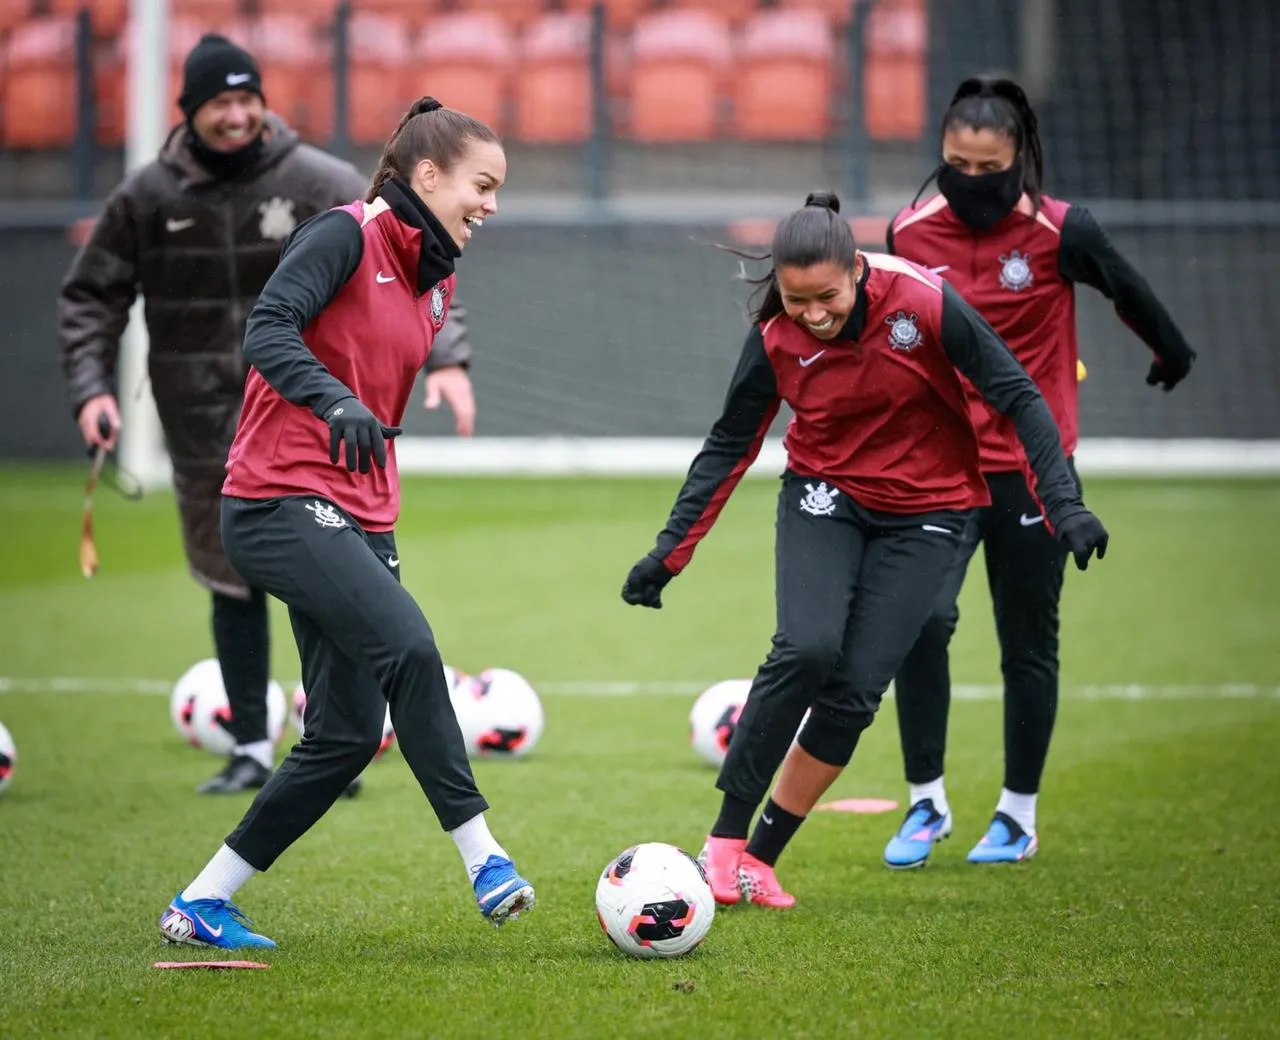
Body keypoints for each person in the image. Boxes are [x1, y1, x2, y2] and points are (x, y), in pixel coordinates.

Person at [621, 192, 1109, 909]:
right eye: (796, 300)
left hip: (934, 511)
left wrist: (1061, 503)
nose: (812, 313)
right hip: (826, 496)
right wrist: (671, 551)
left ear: (858, 270)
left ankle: (762, 857)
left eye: (826, 297)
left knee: (854, 691)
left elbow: (1020, 395)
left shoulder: (925, 301)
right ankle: (723, 845)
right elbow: (731, 442)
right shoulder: (774, 338)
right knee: (806, 648)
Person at [157, 96, 533, 951]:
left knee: (347, 737)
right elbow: (267, 330)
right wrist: (333, 401)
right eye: (483, 184)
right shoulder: (342, 234)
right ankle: (484, 856)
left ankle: (202, 902)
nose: (492, 204)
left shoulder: (437, 282)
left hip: (360, 513)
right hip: (275, 500)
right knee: (411, 646)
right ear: (427, 175)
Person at [58, 34, 479, 796]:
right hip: (198, 416)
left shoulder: (317, 180)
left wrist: (446, 357)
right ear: (191, 111)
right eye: (221, 102)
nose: (237, 115)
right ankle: (252, 745)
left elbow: (410, 256)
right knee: (229, 580)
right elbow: (94, 294)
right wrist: (92, 387)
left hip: (316, 411)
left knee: (329, 581)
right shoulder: (147, 195)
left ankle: (330, 743)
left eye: (248, 99)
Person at [880, 76, 1196, 869]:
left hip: (1032, 469)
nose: (971, 179)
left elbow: (1131, 291)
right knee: (921, 623)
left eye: (989, 166)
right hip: (940, 471)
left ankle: (1017, 816)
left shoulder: (1062, 232)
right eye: (956, 163)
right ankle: (926, 803)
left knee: (1027, 645)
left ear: (1021, 159)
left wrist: (1171, 351)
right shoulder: (909, 232)